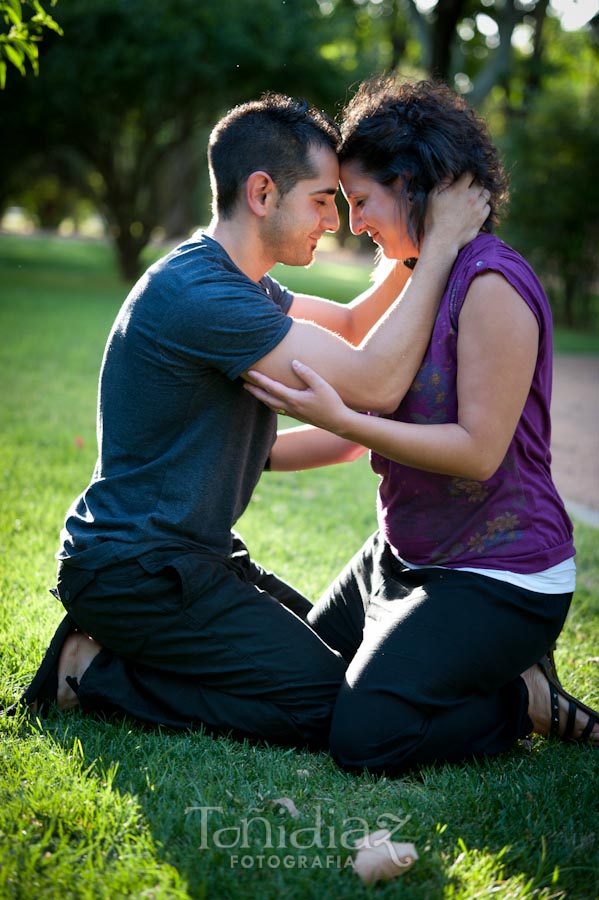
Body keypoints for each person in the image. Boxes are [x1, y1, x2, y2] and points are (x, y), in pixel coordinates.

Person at [11, 91, 490, 749]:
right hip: (137, 573)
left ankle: (125, 656)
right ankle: (91, 672)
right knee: (325, 706)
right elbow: (375, 378)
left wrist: (411, 242)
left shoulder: (242, 285)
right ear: (262, 194)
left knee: (349, 673)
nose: (335, 220)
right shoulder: (202, 296)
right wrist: (438, 247)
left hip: (191, 561)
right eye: (322, 199)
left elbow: (353, 324)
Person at [245, 77, 599, 771]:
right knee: (305, 684)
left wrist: (345, 414)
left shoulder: (491, 285)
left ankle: (519, 698)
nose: (353, 222)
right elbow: (350, 427)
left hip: (500, 577)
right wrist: (250, 455)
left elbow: (475, 453)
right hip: (401, 556)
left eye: (360, 200)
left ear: (411, 185)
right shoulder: (413, 275)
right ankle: (439, 658)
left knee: (364, 737)